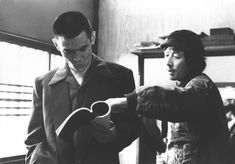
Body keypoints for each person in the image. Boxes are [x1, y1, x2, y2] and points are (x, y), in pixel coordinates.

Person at [24, 11, 140, 164]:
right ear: (56, 45)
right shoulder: (42, 84)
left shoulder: (120, 76)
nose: (77, 58)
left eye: (83, 48)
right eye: (68, 51)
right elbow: (34, 139)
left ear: (92, 38)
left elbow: (135, 124)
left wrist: (116, 134)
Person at [106, 29, 231, 164]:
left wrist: (130, 100)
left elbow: (177, 101)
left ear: (192, 59)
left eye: (176, 57)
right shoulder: (185, 86)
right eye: (166, 55)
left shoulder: (202, 86)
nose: (168, 62)